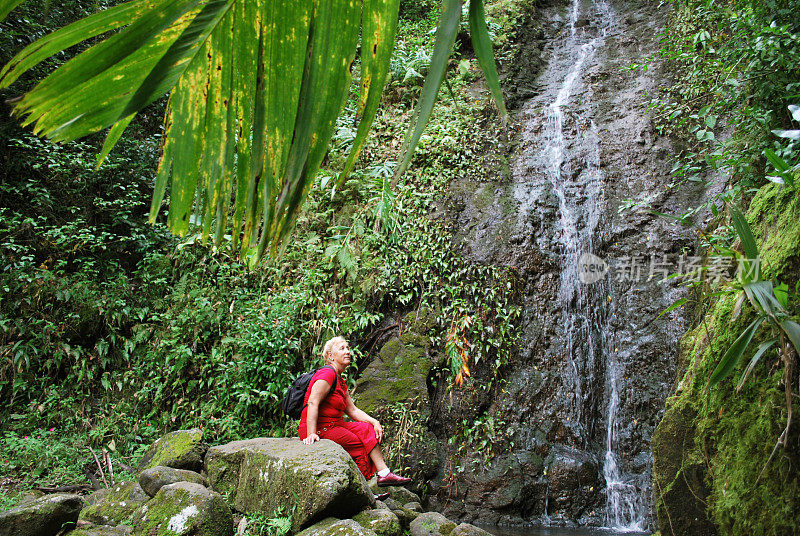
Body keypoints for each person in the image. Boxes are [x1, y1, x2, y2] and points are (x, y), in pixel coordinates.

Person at [299, 336, 412, 487]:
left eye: (348, 348)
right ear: (330, 356)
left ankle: (384, 474)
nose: (347, 352)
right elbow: (313, 402)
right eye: (342, 349)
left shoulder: (340, 380)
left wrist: (374, 421)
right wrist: (311, 433)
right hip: (320, 428)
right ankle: (362, 490)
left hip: (335, 425)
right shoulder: (327, 374)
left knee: (367, 428)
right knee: (358, 446)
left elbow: (352, 410)